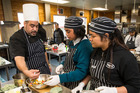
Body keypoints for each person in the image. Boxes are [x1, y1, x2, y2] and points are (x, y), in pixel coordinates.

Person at [72, 17, 140, 93]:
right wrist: (81, 84)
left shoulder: (125, 57)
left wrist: (113, 90)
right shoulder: (95, 52)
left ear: (106, 36)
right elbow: (91, 73)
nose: (90, 39)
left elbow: (135, 87)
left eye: (93, 36)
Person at [45, 16, 93, 89]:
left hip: (76, 83)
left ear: (77, 30)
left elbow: (81, 72)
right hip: (68, 79)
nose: (66, 34)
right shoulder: (71, 42)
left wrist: (60, 78)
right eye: (65, 31)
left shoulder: (85, 46)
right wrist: (62, 64)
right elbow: (69, 57)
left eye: (68, 31)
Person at [9, 4, 51, 79]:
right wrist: (26, 71)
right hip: (30, 73)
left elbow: (43, 51)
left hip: (44, 70)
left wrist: (48, 65)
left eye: (37, 26)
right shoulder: (17, 38)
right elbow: (19, 59)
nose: (35, 29)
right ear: (25, 24)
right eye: (32, 26)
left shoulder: (39, 33)